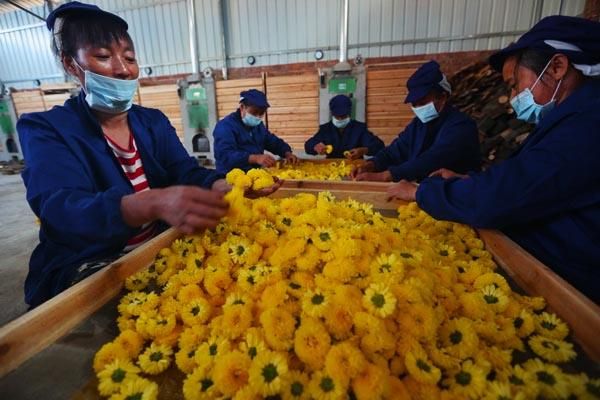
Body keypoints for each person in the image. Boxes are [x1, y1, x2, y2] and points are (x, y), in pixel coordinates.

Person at [17, 2, 278, 307]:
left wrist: (222, 185)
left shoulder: (152, 122)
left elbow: (185, 171)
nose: (123, 69)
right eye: (102, 56)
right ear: (71, 64)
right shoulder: (47, 129)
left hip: (160, 249)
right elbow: (61, 209)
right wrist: (147, 203)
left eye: (129, 57)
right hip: (90, 263)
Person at [387, 16, 600, 303]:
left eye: (514, 85)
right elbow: (532, 180)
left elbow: (509, 192)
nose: (513, 97)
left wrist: (421, 191)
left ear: (558, 67)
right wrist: (470, 182)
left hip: (573, 286)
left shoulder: (589, 122)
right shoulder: (573, 117)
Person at [351, 60, 480, 182]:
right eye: (414, 104)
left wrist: (385, 176)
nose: (418, 108)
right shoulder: (418, 124)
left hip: (456, 195)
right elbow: (396, 150)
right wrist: (371, 165)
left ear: (442, 97)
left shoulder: (461, 126)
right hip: (427, 192)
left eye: (422, 102)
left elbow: (431, 160)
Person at [213, 89, 298, 173]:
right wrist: (254, 158)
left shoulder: (258, 126)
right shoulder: (225, 127)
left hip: (254, 174)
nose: (258, 116)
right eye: (254, 112)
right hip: (229, 178)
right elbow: (225, 155)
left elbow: (271, 141)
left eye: (261, 113)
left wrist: (286, 152)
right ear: (242, 107)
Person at [304, 94, 384, 159]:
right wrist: (315, 146)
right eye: (337, 116)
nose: (340, 119)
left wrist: (364, 150)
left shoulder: (359, 128)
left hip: (355, 166)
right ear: (332, 114)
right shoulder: (325, 129)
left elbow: (379, 146)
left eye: (343, 116)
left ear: (349, 113)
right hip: (331, 167)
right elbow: (308, 146)